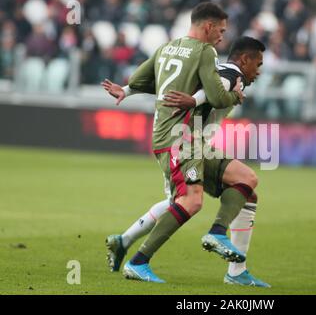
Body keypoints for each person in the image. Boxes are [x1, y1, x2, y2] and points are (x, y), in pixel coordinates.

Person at [103, 37, 269, 287]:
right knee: (189, 200)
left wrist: (127, 90)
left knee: (243, 188)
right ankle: (141, 260)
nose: (258, 71)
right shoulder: (233, 75)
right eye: (258, 64)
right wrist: (197, 101)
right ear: (245, 60)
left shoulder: (221, 74)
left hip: (197, 145)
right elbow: (216, 88)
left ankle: (236, 271)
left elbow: (168, 83)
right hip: (186, 142)